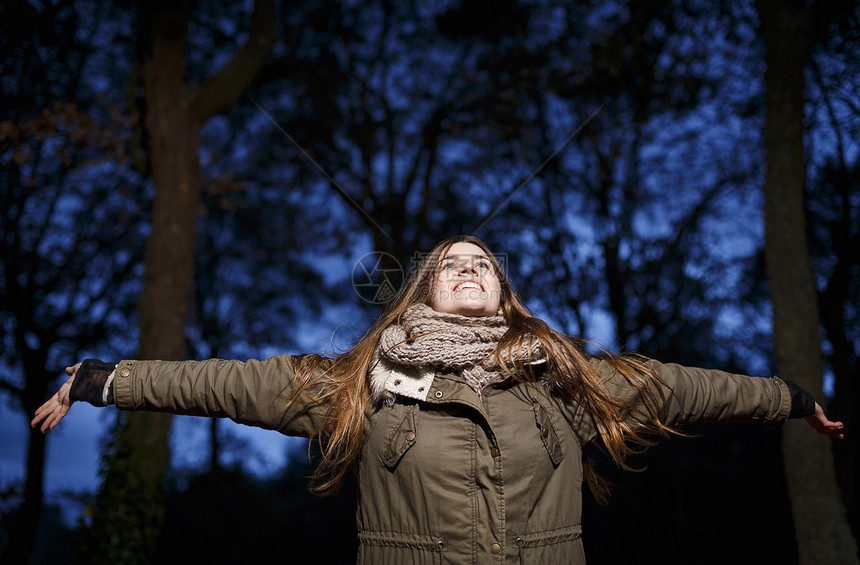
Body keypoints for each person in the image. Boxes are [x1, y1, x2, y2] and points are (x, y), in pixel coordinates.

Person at [32, 235, 844, 564]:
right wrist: (107, 378)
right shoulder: (358, 384)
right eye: (450, 261)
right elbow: (229, 382)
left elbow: (684, 387)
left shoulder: (569, 379)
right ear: (422, 288)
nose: (467, 264)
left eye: (482, 261)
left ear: (501, 294)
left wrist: (790, 395)